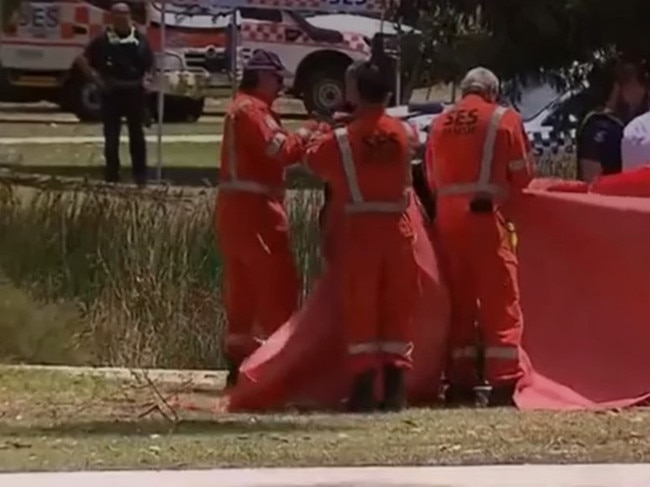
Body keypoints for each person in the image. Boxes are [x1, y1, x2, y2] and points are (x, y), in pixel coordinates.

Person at [301, 60, 422, 412]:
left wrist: (321, 131)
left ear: (354, 92)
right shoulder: (404, 133)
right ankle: (396, 388)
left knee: (362, 308)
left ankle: (364, 388)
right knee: (398, 308)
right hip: (400, 230)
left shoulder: (341, 139)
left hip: (359, 231)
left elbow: (311, 162)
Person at [426, 67, 533, 407]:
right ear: (492, 91)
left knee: (459, 300)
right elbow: (522, 175)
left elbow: (430, 176)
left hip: (446, 217)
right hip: (485, 217)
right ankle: (502, 383)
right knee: (500, 299)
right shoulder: (504, 118)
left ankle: (459, 382)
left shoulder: (440, 122)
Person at [215, 49, 313, 387]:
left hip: (234, 209)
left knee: (242, 290)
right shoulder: (254, 112)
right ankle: (276, 366)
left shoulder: (238, 108)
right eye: (276, 78)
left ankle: (239, 365)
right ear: (260, 76)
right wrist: (307, 133)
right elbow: (280, 151)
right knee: (276, 284)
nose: (281, 85)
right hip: (256, 209)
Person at [76, 3, 153, 186]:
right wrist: (96, 79)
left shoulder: (139, 39)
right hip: (112, 92)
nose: (122, 18)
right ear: (112, 17)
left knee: (137, 135)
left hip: (134, 91)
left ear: (130, 16)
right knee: (111, 136)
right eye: (118, 15)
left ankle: (140, 176)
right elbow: (82, 60)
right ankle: (112, 176)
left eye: (125, 14)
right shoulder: (103, 40)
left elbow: (150, 64)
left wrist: (148, 81)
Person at [576, 60, 648, 182]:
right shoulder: (598, 125)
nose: (640, 96)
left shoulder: (632, 127)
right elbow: (590, 178)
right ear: (619, 88)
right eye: (635, 88)